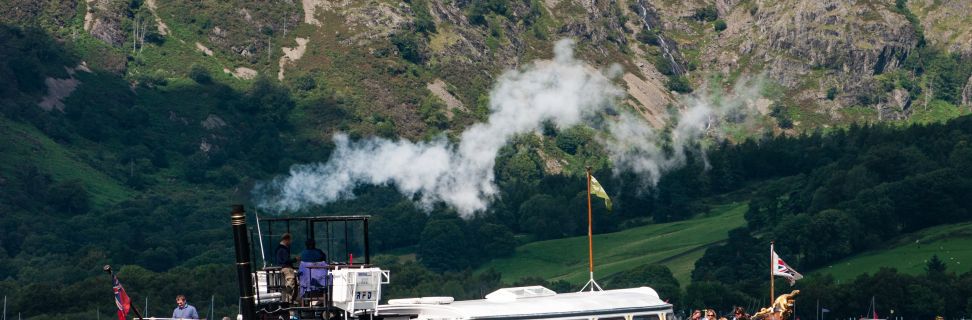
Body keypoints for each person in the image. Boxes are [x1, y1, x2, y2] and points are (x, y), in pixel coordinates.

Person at [275, 233, 300, 304]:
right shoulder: (283, 249)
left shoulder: (279, 248)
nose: (291, 242)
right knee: (291, 281)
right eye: (290, 240)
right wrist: (295, 259)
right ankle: (288, 297)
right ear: (286, 240)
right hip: (286, 268)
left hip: (282, 267)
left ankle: (291, 299)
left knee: (294, 284)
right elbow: (286, 260)